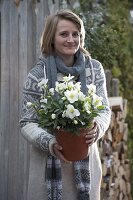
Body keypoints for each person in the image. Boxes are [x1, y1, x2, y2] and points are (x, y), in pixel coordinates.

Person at [20, 9, 111, 200]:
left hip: (86, 160)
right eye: (64, 34)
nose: (71, 39)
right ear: (51, 38)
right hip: (47, 165)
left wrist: (98, 128)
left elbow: (103, 108)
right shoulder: (37, 75)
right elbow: (27, 121)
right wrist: (50, 142)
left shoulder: (94, 69)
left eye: (76, 34)